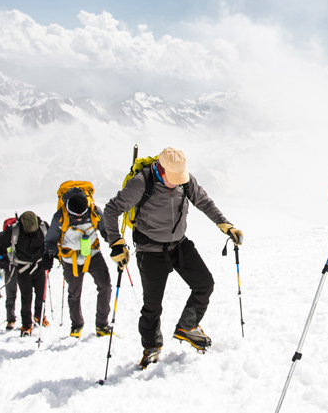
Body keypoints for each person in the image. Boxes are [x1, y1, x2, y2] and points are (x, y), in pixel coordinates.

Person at [104, 147, 243, 367]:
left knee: (204, 283)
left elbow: (204, 202)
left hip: (179, 245)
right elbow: (111, 210)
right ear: (161, 168)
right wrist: (115, 243)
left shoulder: (184, 180)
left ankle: (187, 327)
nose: (177, 182)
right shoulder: (141, 183)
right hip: (150, 251)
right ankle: (151, 347)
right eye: (173, 178)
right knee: (152, 306)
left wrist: (224, 224)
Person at [44, 184, 112, 339]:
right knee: (74, 294)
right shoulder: (60, 216)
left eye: (82, 215)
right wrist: (48, 254)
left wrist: (114, 243)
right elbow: (51, 240)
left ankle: (102, 325)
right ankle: (77, 325)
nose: (79, 218)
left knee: (105, 286)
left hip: (92, 255)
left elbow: (105, 230)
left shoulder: (94, 211)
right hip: (70, 259)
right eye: (76, 216)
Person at [0, 211, 50, 337]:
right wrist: (1, 260)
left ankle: (35, 319)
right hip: (24, 267)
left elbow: (52, 242)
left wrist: (51, 255)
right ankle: (28, 322)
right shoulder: (13, 231)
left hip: (35, 265)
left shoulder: (43, 227)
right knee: (28, 296)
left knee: (36, 295)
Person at [0, 229, 20, 330]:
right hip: (23, 266)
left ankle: (10, 319)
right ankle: (30, 319)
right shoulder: (22, 233)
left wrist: (1, 262)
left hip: (9, 267)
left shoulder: (2, 236)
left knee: (10, 294)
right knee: (27, 294)